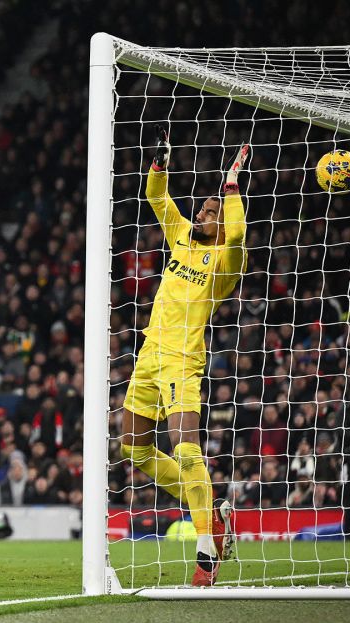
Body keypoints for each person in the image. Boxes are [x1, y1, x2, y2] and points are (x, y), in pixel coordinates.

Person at [120, 128, 249, 586]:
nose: (202, 213)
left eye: (210, 212)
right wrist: (160, 164)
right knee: (132, 447)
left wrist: (231, 191)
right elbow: (157, 197)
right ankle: (211, 509)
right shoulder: (182, 238)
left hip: (182, 361)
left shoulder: (224, 264)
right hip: (149, 354)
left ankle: (206, 552)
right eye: (203, 207)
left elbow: (235, 236)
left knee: (186, 449)